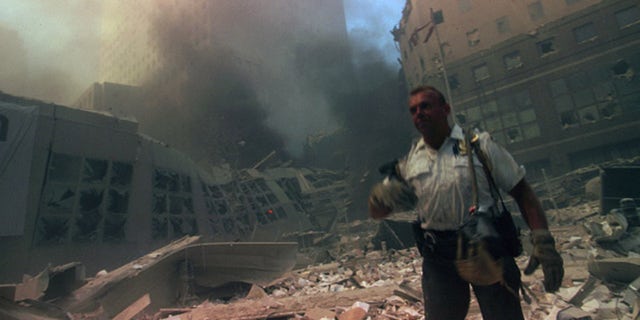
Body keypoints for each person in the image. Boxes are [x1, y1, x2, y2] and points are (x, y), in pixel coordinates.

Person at [368, 85, 564, 320]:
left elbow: (523, 193)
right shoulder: (410, 162)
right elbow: (379, 212)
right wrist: (379, 197)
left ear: (446, 109)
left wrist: (543, 240)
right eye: (413, 110)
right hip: (439, 259)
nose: (418, 113)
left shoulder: (480, 147)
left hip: (487, 251)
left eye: (425, 106)